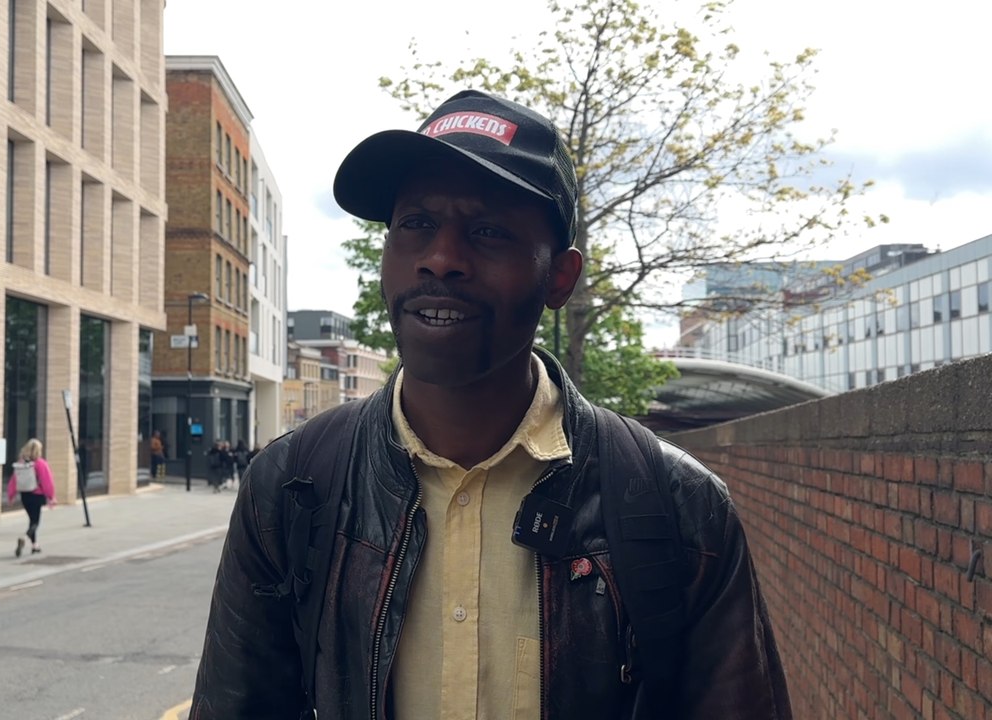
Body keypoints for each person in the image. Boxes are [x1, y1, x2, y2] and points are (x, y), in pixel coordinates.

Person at [192, 90, 791, 719]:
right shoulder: (292, 486)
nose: (441, 259)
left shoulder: (678, 506)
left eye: (487, 231)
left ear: (559, 277)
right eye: (416, 224)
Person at [6, 439, 56, 557]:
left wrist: (11, 495)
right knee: (35, 522)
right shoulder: (40, 463)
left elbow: (14, 480)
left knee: (31, 520)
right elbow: (47, 481)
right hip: (37, 495)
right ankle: (25, 537)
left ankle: (35, 545)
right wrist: (51, 496)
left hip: (25, 495)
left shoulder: (22, 463)